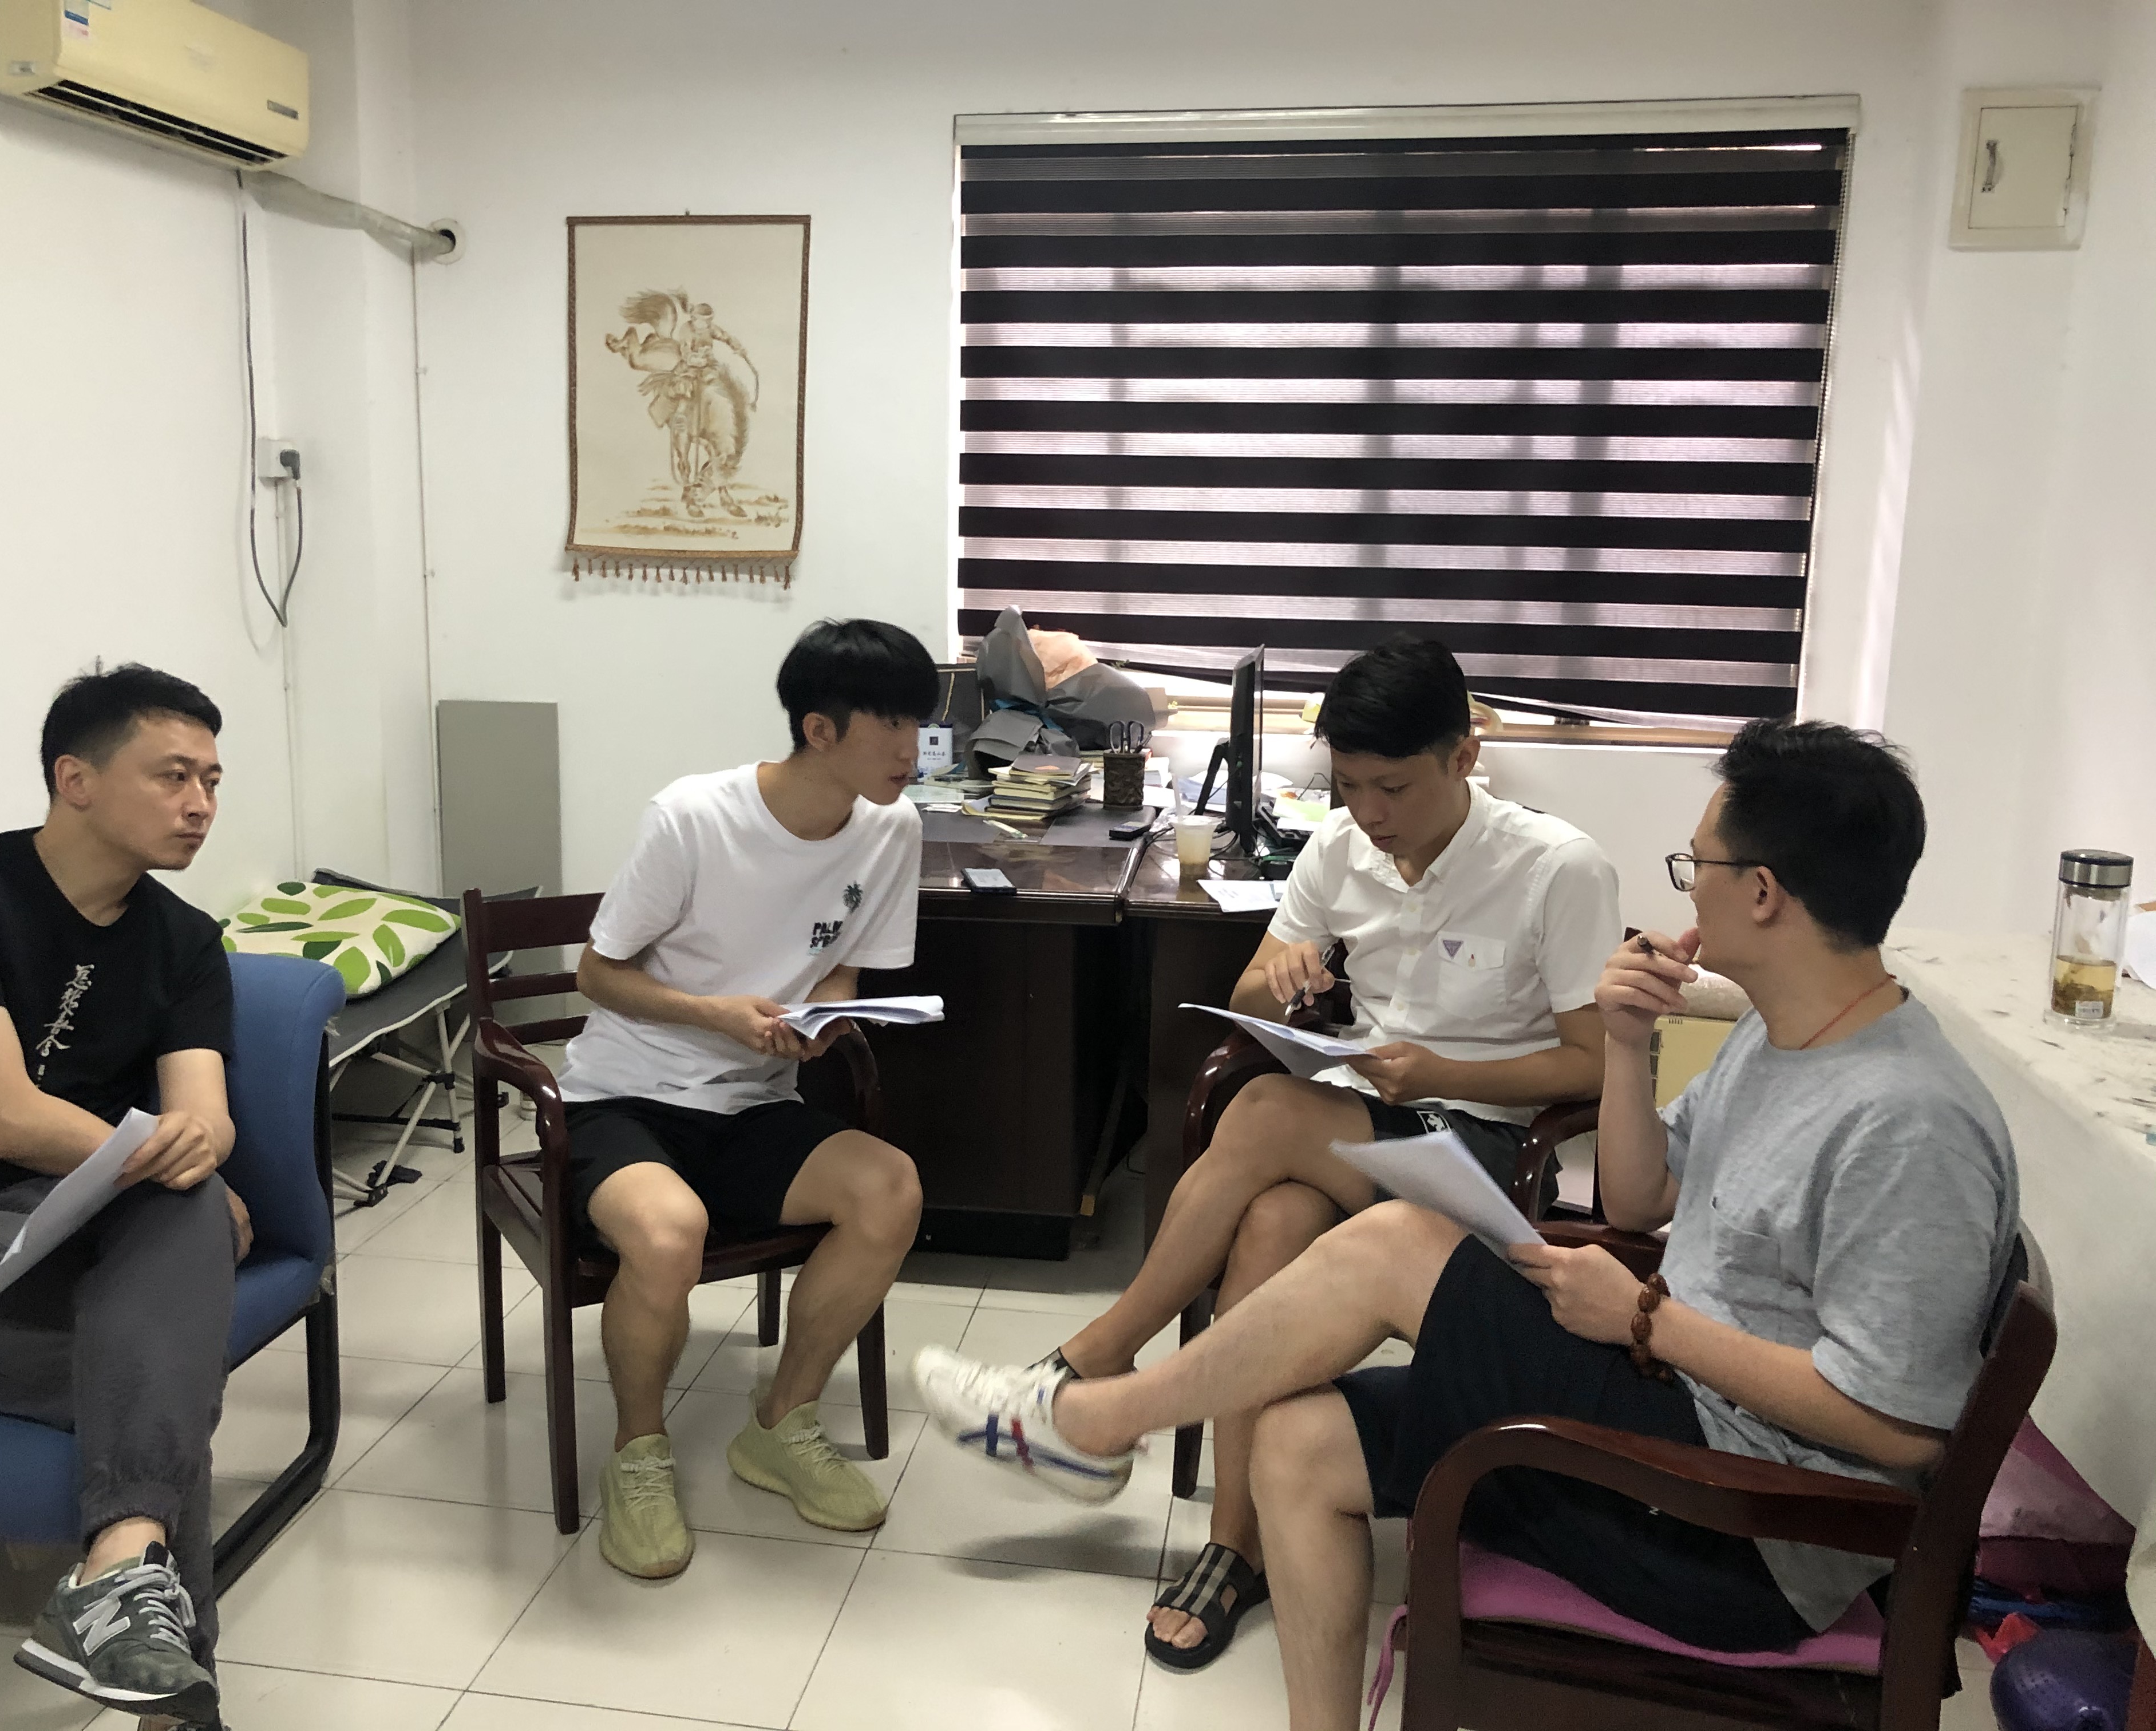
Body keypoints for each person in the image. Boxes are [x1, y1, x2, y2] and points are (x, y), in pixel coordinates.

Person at [915, 718, 2020, 1731]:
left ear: (1765, 892)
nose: (1684, 890)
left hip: (1745, 1528)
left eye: (1699, 867)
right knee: (1298, 1441)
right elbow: (1641, 1202)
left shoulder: (1908, 1121)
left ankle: (1095, 1418)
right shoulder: (1784, 1040)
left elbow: (1900, 1431)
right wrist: (1626, 1043)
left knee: (1399, 1242)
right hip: (1675, 1407)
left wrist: (1649, 1323)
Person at [1029, 635, 1619, 1667]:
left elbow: (1592, 1066)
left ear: (1464, 757)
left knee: (1263, 1113)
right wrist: (1284, 975)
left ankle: (1097, 1359)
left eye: (1394, 787)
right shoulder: (1340, 848)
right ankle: (1234, 1547)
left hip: (1481, 1148)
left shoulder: (1557, 867)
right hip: (1363, 1127)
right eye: (1350, 785)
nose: (1371, 813)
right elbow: (1249, 996)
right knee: (1268, 1225)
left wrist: (1443, 1072)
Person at [0, 665, 249, 1731]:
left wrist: (193, 1157)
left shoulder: (185, 940)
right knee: (165, 1392)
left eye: (213, 781)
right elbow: (2, 1118)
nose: (201, 804)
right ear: (76, 778)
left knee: (190, 1221)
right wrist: (174, 1156)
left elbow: (204, 1117)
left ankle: (118, 1573)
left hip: (78, 1235)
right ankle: (177, 1704)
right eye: (173, 776)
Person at [560, 618, 935, 1578]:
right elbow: (595, 972)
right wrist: (714, 1014)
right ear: (820, 730)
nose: (913, 748)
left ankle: (780, 1424)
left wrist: (820, 1022)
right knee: (668, 1234)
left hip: (754, 1100)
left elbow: (845, 967)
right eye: (892, 725)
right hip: (624, 1095)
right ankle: (638, 1455)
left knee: (891, 1189)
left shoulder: (892, 828)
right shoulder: (694, 817)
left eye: (919, 723)